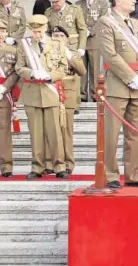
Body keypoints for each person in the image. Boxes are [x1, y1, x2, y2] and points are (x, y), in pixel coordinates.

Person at [97, 0, 138, 189]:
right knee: (112, 133)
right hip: (118, 84)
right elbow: (110, 55)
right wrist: (130, 77)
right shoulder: (106, 22)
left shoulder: (136, 24)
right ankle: (111, 175)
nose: (134, 1)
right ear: (118, 0)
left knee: (135, 133)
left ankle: (133, 174)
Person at [15, 15, 68, 179]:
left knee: (54, 132)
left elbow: (63, 67)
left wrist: (50, 75)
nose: (36, 35)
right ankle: (37, 166)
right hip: (32, 92)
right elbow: (19, 67)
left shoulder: (57, 43)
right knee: (36, 132)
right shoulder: (24, 45)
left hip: (50, 90)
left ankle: (59, 165)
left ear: (45, 28)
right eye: (34, 31)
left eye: (39, 31)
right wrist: (32, 73)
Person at [48, 26, 86, 174]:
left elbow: (82, 71)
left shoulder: (73, 54)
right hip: (50, 94)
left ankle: (69, 163)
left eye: (61, 36)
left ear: (67, 39)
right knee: (51, 131)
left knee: (66, 132)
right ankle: (51, 163)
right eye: (55, 35)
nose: (58, 38)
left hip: (67, 96)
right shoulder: (47, 52)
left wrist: (69, 56)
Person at [0, 19, 19, 178]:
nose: (0, 34)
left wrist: (3, 88)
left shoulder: (12, 50)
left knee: (3, 133)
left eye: (2, 31)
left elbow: (17, 71)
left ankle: (6, 166)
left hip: (2, 95)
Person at [75, 0, 108, 102]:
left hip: (95, 41)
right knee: (81, 70)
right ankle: (82, 96)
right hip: (81, 42)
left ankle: (95, 96)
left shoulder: (102, 4)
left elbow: (103, 20)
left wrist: (91, 31)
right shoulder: (78, 4)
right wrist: (83, 32)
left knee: (95, 70)